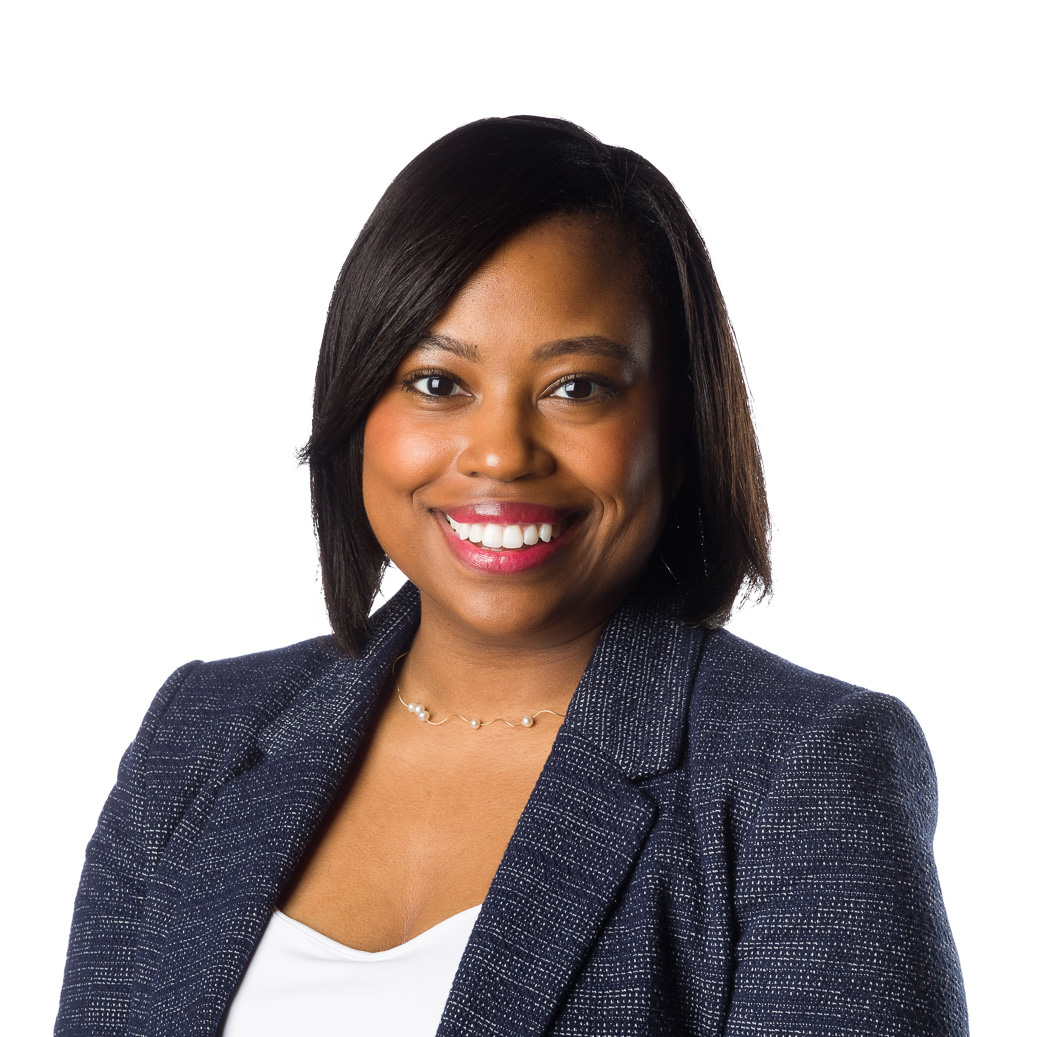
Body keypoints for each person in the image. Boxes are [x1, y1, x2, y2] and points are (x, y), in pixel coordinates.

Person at [55, 116, 968, 1036]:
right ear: (356, 410)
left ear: (677, 429)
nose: (498, 453)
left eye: (577, 386)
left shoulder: (804, 772)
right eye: (436, 383)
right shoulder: (201, 733)